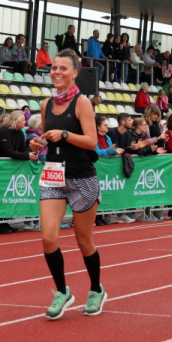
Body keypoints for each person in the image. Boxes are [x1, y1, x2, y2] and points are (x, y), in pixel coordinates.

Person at [28, 48, 105, 320]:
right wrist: (39, 142)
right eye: (53, 68)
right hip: (53, 176)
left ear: (74, 73)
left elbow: (91, 142)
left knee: (83, 240)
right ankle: (62, 291)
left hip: (81, 177)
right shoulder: (46, 104)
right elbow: (47, 137)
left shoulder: (82, 103)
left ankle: (96, 289)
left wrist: (64, 134)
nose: (57, 72)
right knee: (48, 237)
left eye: (63, 68)